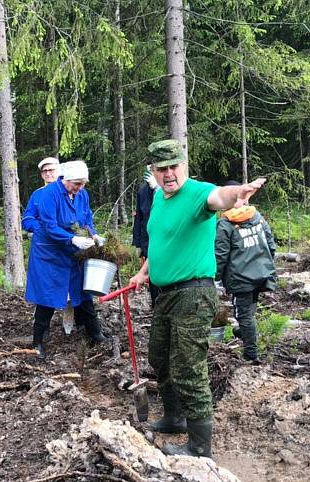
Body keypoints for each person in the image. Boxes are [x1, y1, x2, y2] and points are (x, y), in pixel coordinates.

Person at [128, 139, 266, 458]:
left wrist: (237, 193)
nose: (169, 174)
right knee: (159, 357)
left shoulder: (197, 193)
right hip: (165, 295)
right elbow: (162, 242)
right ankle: (174, 418)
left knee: (187, 367)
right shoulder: (160, 199)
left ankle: (200, 447)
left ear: (183, 166)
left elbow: (220, 196)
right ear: (153, 171)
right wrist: (143, 272)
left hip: (193, 293)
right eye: (161, 169)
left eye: (174, 166)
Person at [25, 160, 109, 360]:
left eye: (83, 184)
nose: (80, 188)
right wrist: (72, 238)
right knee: (47, 298)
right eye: (77, 184)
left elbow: (86, 219)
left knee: (83, 292)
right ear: (65, 179)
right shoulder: (47, 195)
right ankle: (38, 342)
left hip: (73, 253)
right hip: (50, 254)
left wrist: (93, 234)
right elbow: (49, 226)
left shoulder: (82, 194)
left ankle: (96, 334)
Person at [214, 180, 277, 363]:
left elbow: (220, 255)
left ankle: (251, 356)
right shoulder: (257, 216)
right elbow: (271, 244)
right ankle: (243, 331)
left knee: (243, 314)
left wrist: (214, 278)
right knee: (248, 311)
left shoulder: (225, 224)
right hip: (262, 274)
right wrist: (267, 264)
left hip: (241, 278)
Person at [132, 165, 160, 306]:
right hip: (148, 241)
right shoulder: (143, 191)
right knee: (153, 278)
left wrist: (156, 189)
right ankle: (156, 307)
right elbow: (139, 217)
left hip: (165, 240)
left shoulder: (166, 189)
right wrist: (137, 243)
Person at [22, 157, 60, 233]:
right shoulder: (37, 194)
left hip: (68, 239)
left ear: (59, 171)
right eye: (44, 171)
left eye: (51, 170)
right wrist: (41, 229)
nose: (47, 173)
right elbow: (27, 219)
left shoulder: (69, 190)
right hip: (43, 241)